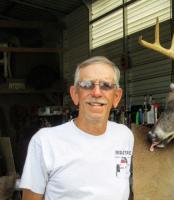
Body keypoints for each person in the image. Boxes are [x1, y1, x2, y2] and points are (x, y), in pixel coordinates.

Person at [19, 56, 134, 200]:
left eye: (106, 85)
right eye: (87, 85)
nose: (97, 93)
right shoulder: (45, 141)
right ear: (75, 94)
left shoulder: (125, 136)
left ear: (116, 96)